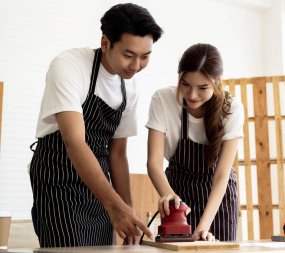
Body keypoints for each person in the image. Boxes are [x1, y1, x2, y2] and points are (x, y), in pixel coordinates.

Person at [29, 3, 163, 247]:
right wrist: (115, 206)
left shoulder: (129, 87)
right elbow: (74, 142)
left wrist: (127, 210)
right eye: (128, 55)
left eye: (145, 57)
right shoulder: (69, 66)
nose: (136, 66)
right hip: (59, 180)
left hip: (100, 187)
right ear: (105, 43)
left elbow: (118, 153)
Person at [146, 43, 244, 241]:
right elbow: (154, 163)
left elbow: (222, 174)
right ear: (179, 76)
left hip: (217, 201)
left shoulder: (231, 108)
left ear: (216, 82)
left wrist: (204, 225)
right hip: (177, 192)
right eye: (185, 84)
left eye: (203, 88)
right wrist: (172, 201)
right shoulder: (163, 100)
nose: (191, 95)